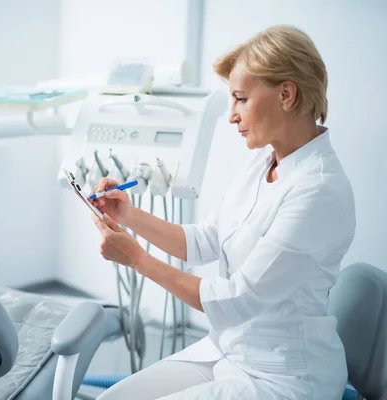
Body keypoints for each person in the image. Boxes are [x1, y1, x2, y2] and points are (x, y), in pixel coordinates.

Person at [90, 25, 356, 400]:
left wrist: (136, 259)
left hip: (283, 378)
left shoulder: (319, 191)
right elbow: (205, 241)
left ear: (286, 94)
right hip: (227, 352)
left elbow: (236, 299)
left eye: (241, 99)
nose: (232, 115)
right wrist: (129, 216)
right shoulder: (264, 162)